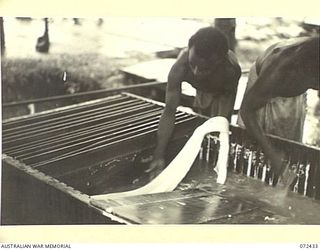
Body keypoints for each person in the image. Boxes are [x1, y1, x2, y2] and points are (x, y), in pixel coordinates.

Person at [147, 27, 242, 176]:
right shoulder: (180, 66)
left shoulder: (230, 71)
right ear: (189, 50)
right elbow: (169, 111)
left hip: (221, 87)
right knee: (200, 117)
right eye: (193, 64)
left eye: (205, 68)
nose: (196, 72)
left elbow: (222, 121)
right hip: (203, 89)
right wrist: (159, 154)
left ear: (220, 61)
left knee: (218, 123)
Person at [238, 36, 320, 185]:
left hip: (294, 85)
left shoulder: (311, 65)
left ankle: (285, 181)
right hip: (264, 85)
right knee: (255, 149)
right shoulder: (280, 70)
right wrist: (274, 158)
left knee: (290, 149)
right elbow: (246, 111)